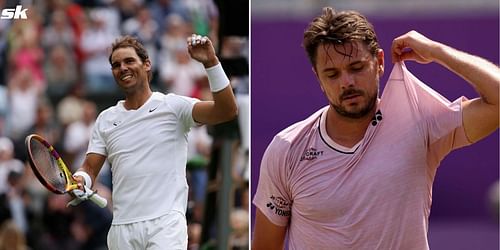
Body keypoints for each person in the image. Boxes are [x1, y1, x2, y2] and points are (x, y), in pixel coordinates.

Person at [252, 7, 499, 250]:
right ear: (319, 79)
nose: (346, 82)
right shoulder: (287, 148)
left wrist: (436, 51)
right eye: (332, 74)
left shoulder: (420, 122)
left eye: (357, 68)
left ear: (380, 62)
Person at [69, 34, 238, 249]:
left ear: (147, 64)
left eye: (129, 61)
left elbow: (227, 110)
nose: (122, 68)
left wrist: (211, 63)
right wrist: (82, 179)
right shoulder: (105, 119)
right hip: (121, 229)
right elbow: (90, 168)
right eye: (116, 65)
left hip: (165, 225)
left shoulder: (173, 106)